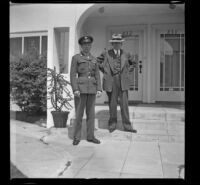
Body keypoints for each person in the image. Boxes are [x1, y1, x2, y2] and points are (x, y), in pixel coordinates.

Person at [97, 33, 137, 133]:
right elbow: (97, 62)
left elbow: (134, 63)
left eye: (119, 43)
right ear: (112, 44)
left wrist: (128, 71)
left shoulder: (126, 53)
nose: (117, 44)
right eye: (115, 43)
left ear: (121, 44)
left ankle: (127, 126)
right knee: (112, 104)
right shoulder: (106, 53)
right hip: (111, 80)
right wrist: (105, 71)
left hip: (123, 81)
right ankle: (112, 125)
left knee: (124, 104)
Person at [70, 36, 102, 145]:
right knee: (79, 114)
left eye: (88, 44)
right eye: (84, 45)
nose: (87, 46)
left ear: (91, 45)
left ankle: (90, 136)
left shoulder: (94, 59)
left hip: (92, 89)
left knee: (91, 114)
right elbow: (73, 74)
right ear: (81, 46)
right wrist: (75, 89)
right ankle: (77, 137)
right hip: (80, 89)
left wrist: (99, 88)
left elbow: (97, 74)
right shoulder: (76, 58)